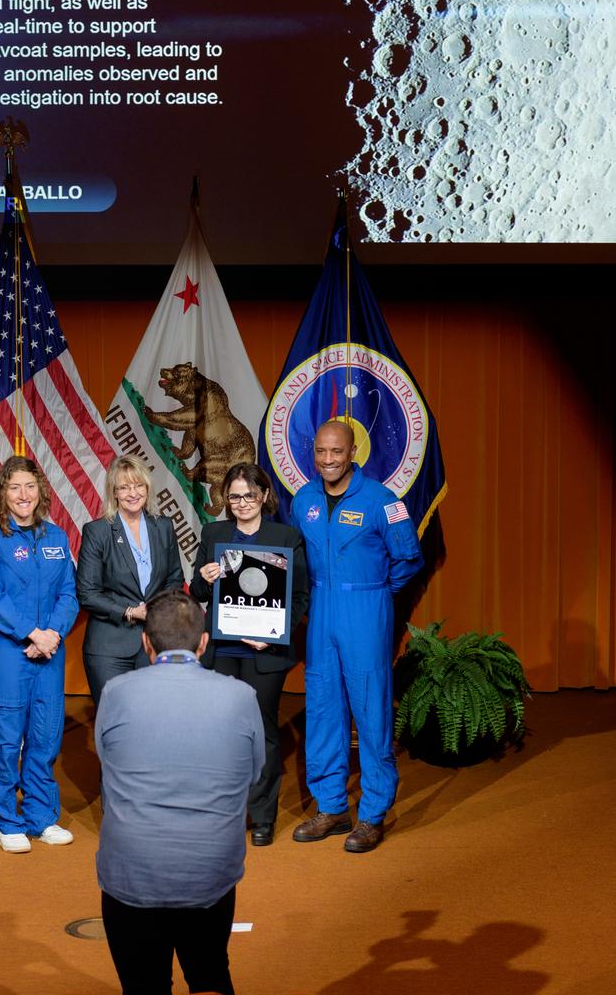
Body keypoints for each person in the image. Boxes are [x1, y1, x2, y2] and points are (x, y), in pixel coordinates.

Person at [95, 590, 264, 995]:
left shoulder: (116, 692)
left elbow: (108, 761)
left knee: (143, 984)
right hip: (209, 876)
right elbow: (253, 774)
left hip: (132, 879)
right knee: (209, 974)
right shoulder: (242, 696)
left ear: (146, 642)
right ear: (203, 644)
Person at [290, 420, 423, 853]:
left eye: (337, 452)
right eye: (321, 452)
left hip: (366, 608)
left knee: (370, 708)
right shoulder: (303, 500)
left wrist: (376, 593)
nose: (329, 460)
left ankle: (371, 814)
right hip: (322, 610)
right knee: (324, 706)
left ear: (352, 454)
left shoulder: (384, 502)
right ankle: (331, 807)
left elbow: (407, 559)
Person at [189, 461, 309, 846]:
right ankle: (223, 814)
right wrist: (204, 579)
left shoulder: (286, 537)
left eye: (249, 495)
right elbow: (198, 592)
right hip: (222, 648)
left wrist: (274, 635)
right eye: (235, 496)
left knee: (261, 732)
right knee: (220, 732)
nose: (241, 503)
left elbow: (301, 597)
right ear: (226, 498)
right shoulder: (214, 533)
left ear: (264, 496)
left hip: (264, 652)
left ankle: (262, 818)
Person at [0, 455, 79, 854]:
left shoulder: (56, 538)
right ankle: (8, 822)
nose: (23, 495)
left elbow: (69, 592)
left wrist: (52, 634)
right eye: (14, 487)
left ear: (41, 492)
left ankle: (41, 816)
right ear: (2, 493)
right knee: (5, 739)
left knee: (45, 737)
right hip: (10, 654)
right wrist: (32, 633)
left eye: (29, 487)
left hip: (49, 654)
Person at [76, 455, 183, 707]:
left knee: (150, 717)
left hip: (154, 642)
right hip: (109, 647)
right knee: (114, 720)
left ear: (147, 488)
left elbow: (175, 578)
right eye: (124, 487)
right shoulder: (98, 531)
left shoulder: (164, 526)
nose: (132, 493)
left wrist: (155, 608)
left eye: (138, 485)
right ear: (114, 492)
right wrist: (129, 611)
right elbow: (87, 593)